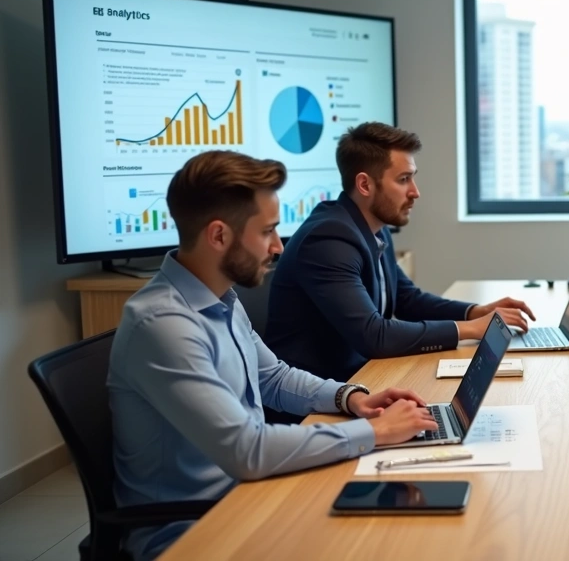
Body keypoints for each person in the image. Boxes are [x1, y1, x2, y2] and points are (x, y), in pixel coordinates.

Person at [109, 151, 439, 560]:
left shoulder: (219, 297)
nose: (279, 246)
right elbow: (247, 450)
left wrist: (351, 398)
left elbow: (274, 377)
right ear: (218, 236)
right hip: (195, 530)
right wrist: (376, 432)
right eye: (267, 231)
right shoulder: (163, 325)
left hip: (253, 494)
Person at [265, 122, 534, 384]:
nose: (415, 192)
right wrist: (470, 329)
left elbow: (407, 299)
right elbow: (374, 336)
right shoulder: (328, 239)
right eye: (404, 180)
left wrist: (475, 312)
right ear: (365, 185)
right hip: (314, 399)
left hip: (359, 380)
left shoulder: (374, 228)